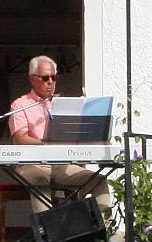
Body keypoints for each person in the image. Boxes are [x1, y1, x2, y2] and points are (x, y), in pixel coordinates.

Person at [6, 54, 114, 215]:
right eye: (45, 77)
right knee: (40, 182)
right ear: (32, 79)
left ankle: (103, 233)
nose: (51, 81)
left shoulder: (62, 104)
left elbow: (73, 134)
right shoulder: (20, 104)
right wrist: (47, 143)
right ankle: (49, 237)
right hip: (32, 164)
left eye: (54, 77)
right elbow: (20, 138)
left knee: (98, 180)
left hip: (61, 164)